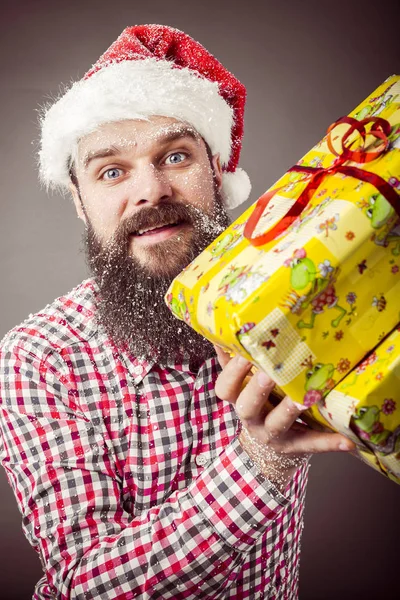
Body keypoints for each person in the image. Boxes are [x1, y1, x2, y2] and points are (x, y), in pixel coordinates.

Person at [0, 24, 355, 600]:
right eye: (111, 171)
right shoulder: (39, 358)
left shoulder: (287, 304)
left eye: (175, 156)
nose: (151, 191)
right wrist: (258, 463)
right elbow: (84, 583)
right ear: (79, 199)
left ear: (216, 172)